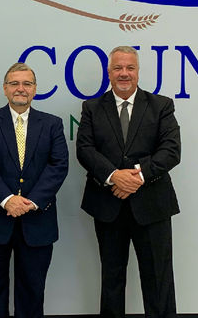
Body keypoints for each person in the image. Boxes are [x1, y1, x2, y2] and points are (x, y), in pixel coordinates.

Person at [76, 46, 181, 318]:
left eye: (130, 68)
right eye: (118, 68)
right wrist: (114, 177)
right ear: (108, 72)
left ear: (138, 71)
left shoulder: (161, 105)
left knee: (159, 280)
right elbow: (85, 149)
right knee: (111, 279)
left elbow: (171, 150)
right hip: (108, 206)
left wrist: (136, 177)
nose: (124, 73)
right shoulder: (91, 108)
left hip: (152, 205)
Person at [0, 62, 69, 318]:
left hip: (37, 219)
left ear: (35, 89)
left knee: (32, 291)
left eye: (27, 83)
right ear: (5, 89)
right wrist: (7, 200)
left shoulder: (52, 124)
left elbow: (58, 166)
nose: (20, 89)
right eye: (14, 83)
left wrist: (30, 201)